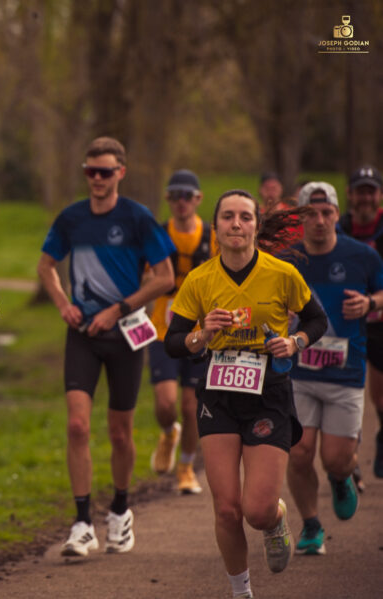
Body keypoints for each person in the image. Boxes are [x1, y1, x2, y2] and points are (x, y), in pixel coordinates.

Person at [165, 189, 327, 598]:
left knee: (255, 510)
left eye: (245, 217)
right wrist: (203, 334)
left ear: (256, 224)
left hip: (267, 391)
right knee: (226, 508)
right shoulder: (200, 279)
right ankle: (241, 592)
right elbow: (173, 340)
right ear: (216, 226)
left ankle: (275, 520)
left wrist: (295, 343)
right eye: (228, 217)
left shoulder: (281, 274)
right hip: (218, 392)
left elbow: (316, 319)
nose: (236, 224)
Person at [37, 137, 175, 558]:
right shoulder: (72, 219)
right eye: (90, 172)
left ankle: (120, 510)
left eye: (105, 171)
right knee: (77, 426)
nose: (97, 179)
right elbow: (46, 266)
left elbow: (165, 277)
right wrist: (63, 304)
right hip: (82, 334)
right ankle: (81, 523)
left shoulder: (137, 218)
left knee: (120, 432)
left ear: (121, 173)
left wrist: (118, 309)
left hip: (126, 334)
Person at [284, 182, 383, 556]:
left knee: (335, 458)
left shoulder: (362, 256)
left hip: (345, 371)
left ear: (336, 214)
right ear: (301, 218)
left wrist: (370, 302)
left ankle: (342, 476)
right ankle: (311, 525)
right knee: (298, 452)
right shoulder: (288, 259)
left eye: (327, 213)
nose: (320, 221)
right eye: (311, 213)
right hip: (298, 371)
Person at [147, 169, 214, 494]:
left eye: (187, 195)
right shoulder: (158, 236)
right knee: (165, 403)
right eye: (175, 196)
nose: (181, 202)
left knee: (191, 407)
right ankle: (168, 434)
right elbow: (143, 277)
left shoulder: (212, 237)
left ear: (198, 199)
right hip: (162, 330)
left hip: (201, 334)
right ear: (167, 200)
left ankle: (186, 467)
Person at [339, 165, 383, 478]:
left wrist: (372, 303)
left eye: (371, 191)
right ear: (350, 195)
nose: (365, 198)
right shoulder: (337, 228)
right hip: (344, 324)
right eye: (360, 191)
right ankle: (346, 458)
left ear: (379, 195)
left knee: (380, 396)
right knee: (344, 391)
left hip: (380, 320)